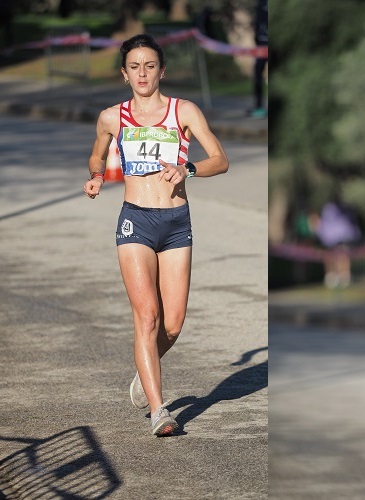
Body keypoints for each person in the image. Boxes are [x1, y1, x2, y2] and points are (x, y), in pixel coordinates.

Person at [83, 34, 229, 437]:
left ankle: (143, 371)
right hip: (135, 222)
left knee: (173, 324)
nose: (143, 73)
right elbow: (97, 153)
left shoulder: (184, 111)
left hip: (176, 222)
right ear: (124, 74)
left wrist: (190, 169)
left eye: (150, 65)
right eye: (135, 66)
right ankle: (159, 409)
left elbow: (221, 159)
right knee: (147, 316)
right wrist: (96, 175)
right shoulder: (112, 117)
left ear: (161, 71)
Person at [249, 0, 268, 118]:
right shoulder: (260, 3)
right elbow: (257, 23)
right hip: (261, 44)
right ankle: (258, 106)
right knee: (257, 75)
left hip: (263, 43)